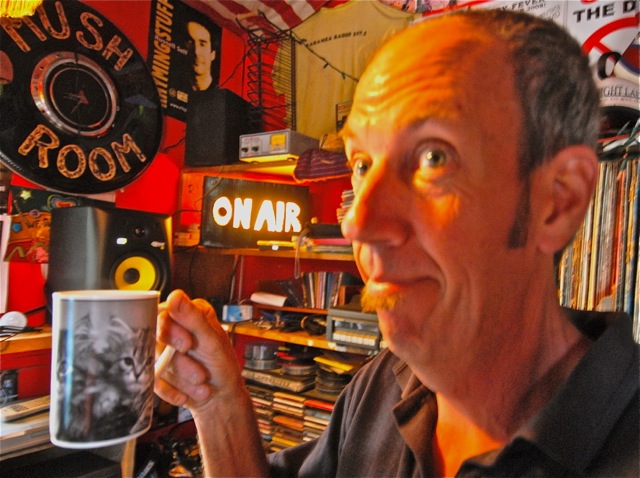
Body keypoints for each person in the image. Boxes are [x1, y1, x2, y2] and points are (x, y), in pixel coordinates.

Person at [155, 9, 639, 477]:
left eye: (433, 157)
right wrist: (217, 404)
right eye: (362, 164)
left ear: (557, 201)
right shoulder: (382, 384)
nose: (357, 222)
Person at [185, 19, 219, 91]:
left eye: (202, 44)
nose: (196, 51)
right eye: (190, 42)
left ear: (213, 54)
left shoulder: (218, 91)